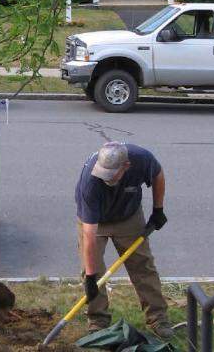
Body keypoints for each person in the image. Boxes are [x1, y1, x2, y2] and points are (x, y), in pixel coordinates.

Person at [75, 141, 173, 340]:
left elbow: (158, 175)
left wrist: (158, 209)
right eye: (104, 173)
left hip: (129, 216)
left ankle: (158, 318)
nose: (106, 178)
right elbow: (89, 235)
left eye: (111, 174)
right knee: (92, 271)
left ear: (126, 166)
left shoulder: (142, 159)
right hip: (97, 221)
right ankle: (98, 320)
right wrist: (92, 277)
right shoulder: (90, 182)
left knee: (142, 265)